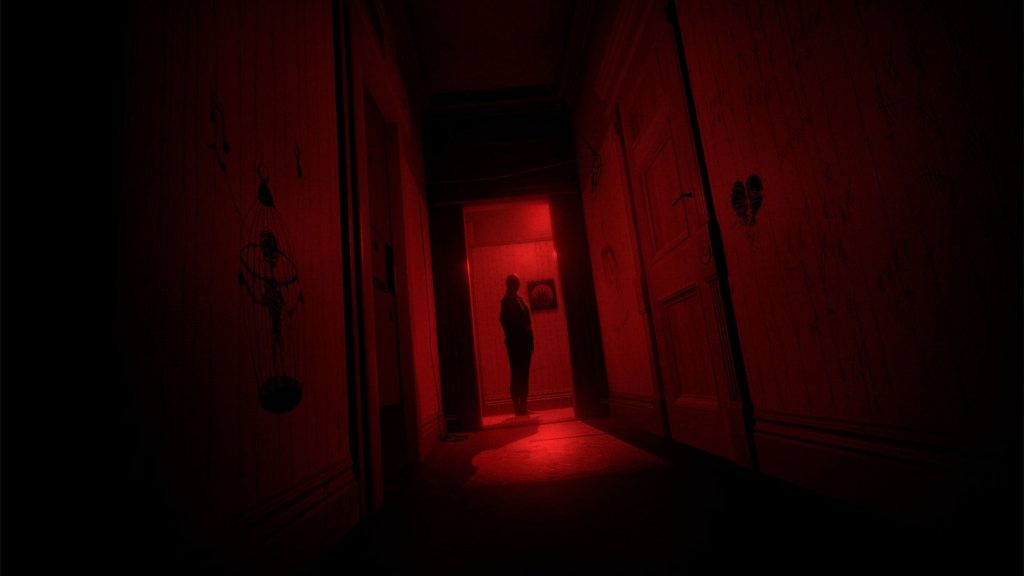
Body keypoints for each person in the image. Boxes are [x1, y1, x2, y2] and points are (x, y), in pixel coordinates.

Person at [500, 273, 534, 416]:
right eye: (515, 283)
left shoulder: (519, 299)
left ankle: (523, 405)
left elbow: (526, 320)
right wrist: (516, 335)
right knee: (516, 373)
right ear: (510, 284)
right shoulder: (506, 301)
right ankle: (517, 405)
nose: (518, 285)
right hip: (516, 343)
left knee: (524, 373)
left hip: (525, 342)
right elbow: (505, 321)